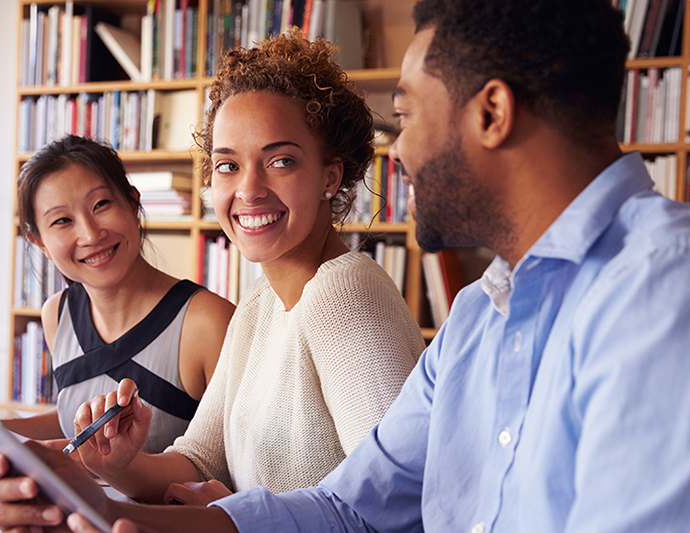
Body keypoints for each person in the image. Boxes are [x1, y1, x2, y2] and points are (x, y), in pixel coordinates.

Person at [0, 0, 690, 531]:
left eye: (405, 115)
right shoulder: (477, 313)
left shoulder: (669, 280)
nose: (396, 152)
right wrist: (103, 502)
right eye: (226, 165)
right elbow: (353, 505)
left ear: (491, 113)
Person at [46, 30, 424, 505]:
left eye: (280, 161)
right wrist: (117, 462)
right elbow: (199, 460)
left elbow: (393, 503)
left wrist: (227, 509)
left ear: (331, 176)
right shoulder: (259, 304)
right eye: (227, 165)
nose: (248, 190)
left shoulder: (344, 292)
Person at [1, 134, 235, 454]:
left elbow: (232, 465)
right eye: (62, 220)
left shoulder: (208, 321)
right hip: (77, 504)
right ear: (39, 242)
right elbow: (79, 420)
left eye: (101, 204)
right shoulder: (58, 314)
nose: (90, 234)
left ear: (134, 203)